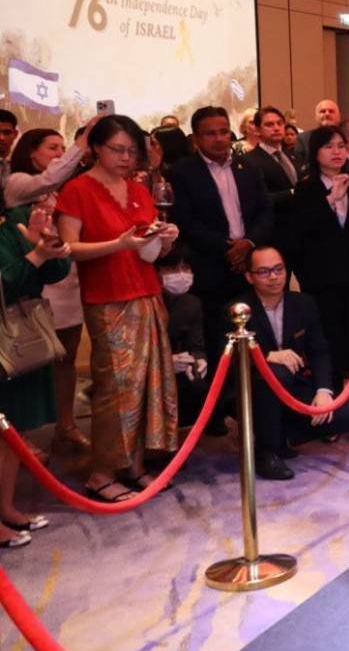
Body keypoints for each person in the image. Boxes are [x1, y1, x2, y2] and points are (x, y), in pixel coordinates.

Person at [56, 116, 180, 503]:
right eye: (117, 150)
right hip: (107, 298)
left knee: (147, 384)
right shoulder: (78, 189)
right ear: (96, 148)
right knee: (114, 389)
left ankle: (134, 465)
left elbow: (148, 250)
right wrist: (119, 244)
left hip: (146, 291)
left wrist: (166, 239)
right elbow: (69, 249)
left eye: (131, 151)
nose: (126, 158)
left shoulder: (138, 189)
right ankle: (101, 473)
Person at [7, 125, 98, 448]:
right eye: (52, 148)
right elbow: (49, 179)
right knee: (28, 361)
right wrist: (80, 145)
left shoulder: (64, 188)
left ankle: (66, 424)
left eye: (63, 148)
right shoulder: (19, 183)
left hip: (66, 277)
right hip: (36, 283)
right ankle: (19, 438)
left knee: (66, 358)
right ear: (31, 152)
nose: (60, 154)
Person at [168, 106, 275, 371]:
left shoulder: (247, 167)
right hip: (209, 267)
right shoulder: (182, 173)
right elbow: (185, 221)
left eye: (224, 132)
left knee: (254, 337)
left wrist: (248, 245)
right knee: (216, 340)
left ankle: (251, 392)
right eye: (210, 134)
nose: (219, 139)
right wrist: (229, 249)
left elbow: (265, 211)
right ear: (195, 138)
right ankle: (219, 394)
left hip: (249, 264)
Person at [242, 245, 349, 479]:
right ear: (249, 276)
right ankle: (267, 452)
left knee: (347, 415)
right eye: (264, 271)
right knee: (277, 372)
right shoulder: (239, 309)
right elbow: (225, 356)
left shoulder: (303, 303)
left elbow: (319, 351)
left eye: (278, 269)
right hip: (252, 390)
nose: (273, 277)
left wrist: (324, 391)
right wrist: (266, 356)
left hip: (293, 385)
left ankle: (282, 436)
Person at [287, 126, 349, 434]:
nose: (337, 152)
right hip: (321, 283)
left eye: (341, 145)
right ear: (315, 153)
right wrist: (329, 201)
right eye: (329, 146)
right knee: (330, 348)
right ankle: (335, 416)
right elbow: (300, 235)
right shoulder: (306, 189)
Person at [0, 195, 71, 546]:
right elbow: (5, 282)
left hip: (19, 333)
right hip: (6, 332)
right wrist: (36, 255)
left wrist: (47, 244)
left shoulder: (13, 218)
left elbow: (57, 272)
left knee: (13, 428)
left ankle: (5, 507)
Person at [156, 249, 207, 429]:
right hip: (149, 367)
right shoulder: (146, 302)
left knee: (197, 384)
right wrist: (166, 362)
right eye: (172, 269)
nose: (180, 274)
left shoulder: (191, 303)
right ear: (157, 271)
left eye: (185, 268)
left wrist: (199, 358)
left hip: (180, 366)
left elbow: (196, 343)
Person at [235, 105, 297, 205]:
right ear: (257, 130)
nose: (276, 128)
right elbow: (255, 198)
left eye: (280, 123)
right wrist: (292, 193)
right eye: (269, 125)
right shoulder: (248, 161)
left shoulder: (293, 155)